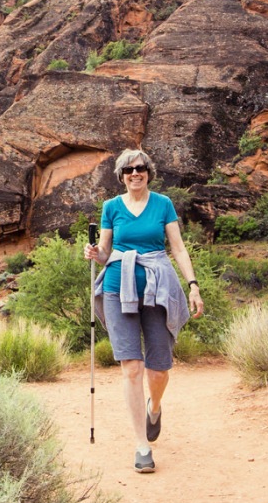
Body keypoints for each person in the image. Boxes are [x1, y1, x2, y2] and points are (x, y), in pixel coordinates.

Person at [83, 148, 204, 473]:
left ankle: (156, 406)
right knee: (132, 368)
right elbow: (106, 252)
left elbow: (177, 247)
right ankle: (142, 445)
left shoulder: (163, 204)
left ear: (148, 172)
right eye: (128, 170)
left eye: (140, 168)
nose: (135, 174)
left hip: (158, 288)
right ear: (121, 176)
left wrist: (193, 285)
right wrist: (94, 253)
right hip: (117, 287)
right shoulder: (111, 207)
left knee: (159, 368)